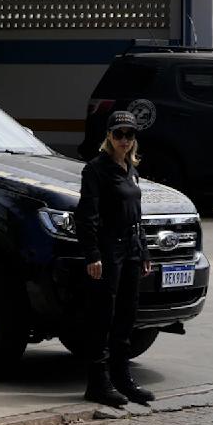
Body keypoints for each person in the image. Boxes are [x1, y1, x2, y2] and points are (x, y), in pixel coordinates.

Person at [74, 111, 154, 407]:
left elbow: (137, 215)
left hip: (132, 246)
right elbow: (87, 216)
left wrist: (144, 250)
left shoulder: (130, 168)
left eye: (129, 135)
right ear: (108, 135)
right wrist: (92, 254)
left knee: (126, 315)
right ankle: (97, 382)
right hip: (110, 248)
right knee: (102, 315)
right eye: (118, 134)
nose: (124, 140)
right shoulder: (96, 170)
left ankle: (122, 378)